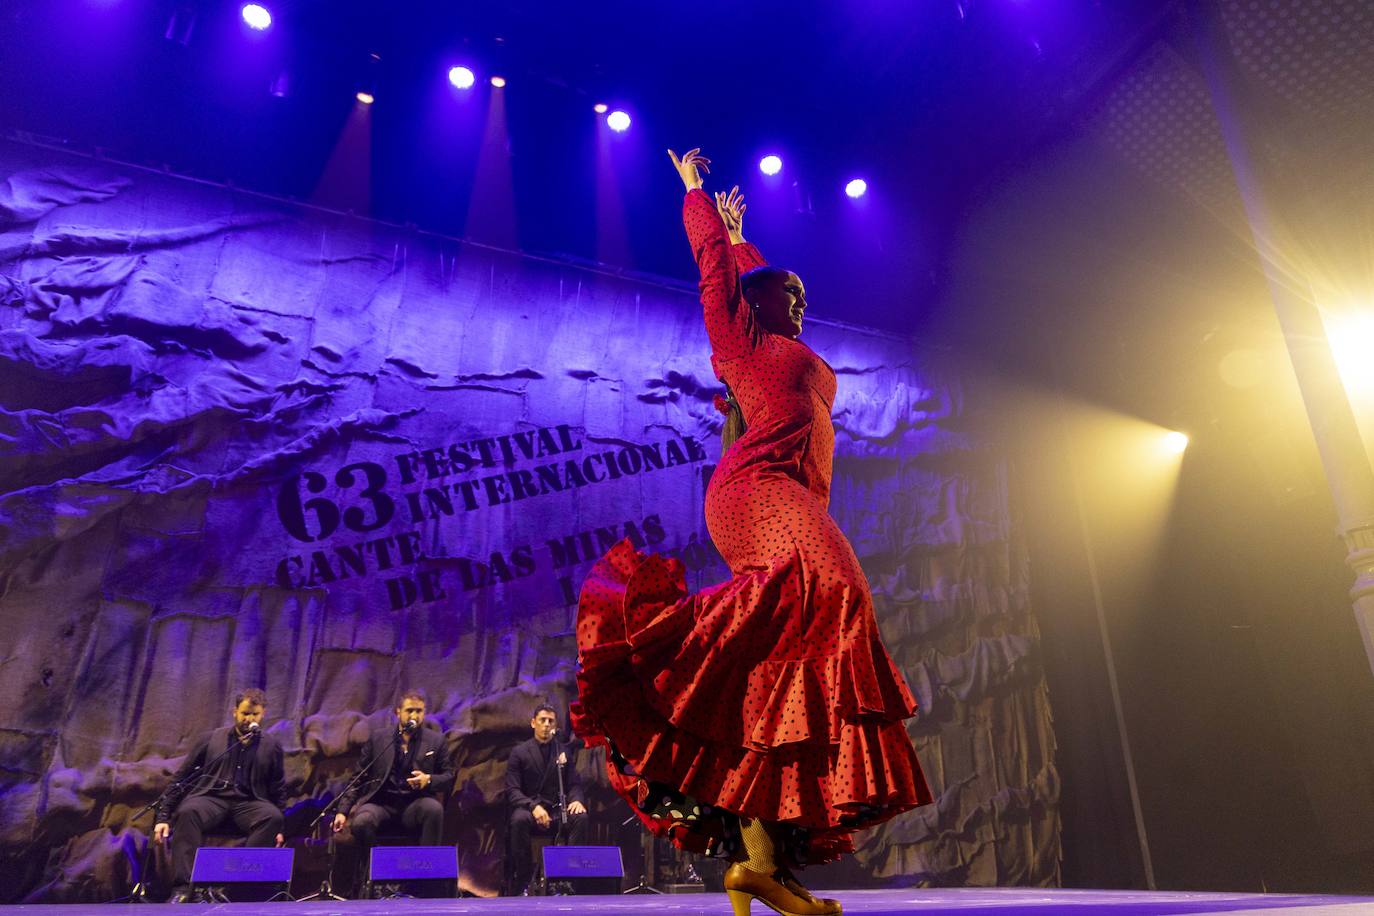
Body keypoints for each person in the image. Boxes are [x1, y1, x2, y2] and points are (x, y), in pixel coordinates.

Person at [570, 149, 934, 916]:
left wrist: (745, 237)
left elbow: (752, 276)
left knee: (782, 656)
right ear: (758, 302)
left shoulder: (784, 345)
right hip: (754, 494)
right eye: (788, 293)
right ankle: (758, 851)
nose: (800, 303)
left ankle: (761, 863)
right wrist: (699, 198)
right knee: (835, 596)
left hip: (790, 499)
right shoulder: (742, 342)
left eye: (805, 295)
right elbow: (720, 277)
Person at [152, 687, 286, 903]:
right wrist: (163, 817)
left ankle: (233, 889)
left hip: (248, 803)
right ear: (235, 712)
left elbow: (277, 787)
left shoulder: (272, 746)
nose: (249, 719)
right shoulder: (212, 739)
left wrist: (280, 829)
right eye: (245, 713)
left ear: (263, 714)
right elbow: (181, 777)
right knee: (188, 811)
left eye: (255, 714)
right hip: (212, 799)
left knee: (272, 816)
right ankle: (184, 889)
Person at [332, 689, 452, 852]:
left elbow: (448, 777)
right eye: (409, 711)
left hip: (414, 804)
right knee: (361, 822)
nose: (414, 716)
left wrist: (428, 779)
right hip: (381, 804)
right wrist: (342, 812)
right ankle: (378, 869)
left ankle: (425, 872)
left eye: (419, 711)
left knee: (434, 809)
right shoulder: (379, 739)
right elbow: (358, 777)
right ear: (398, 712)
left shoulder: (436, 741)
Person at [504, 704, 588, 894]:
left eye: (551, 721)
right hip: (529, 810)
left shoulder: (563, 751)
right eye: (542, 720)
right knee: (518, 819)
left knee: (580, 817)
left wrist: (576, 800)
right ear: (533, 723)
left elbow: (574, 784)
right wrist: (533, 806)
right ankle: (524, 880)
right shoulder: (519, 752)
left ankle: (570, 879)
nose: (546, 725)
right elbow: (512, 790)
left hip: (557, 810)